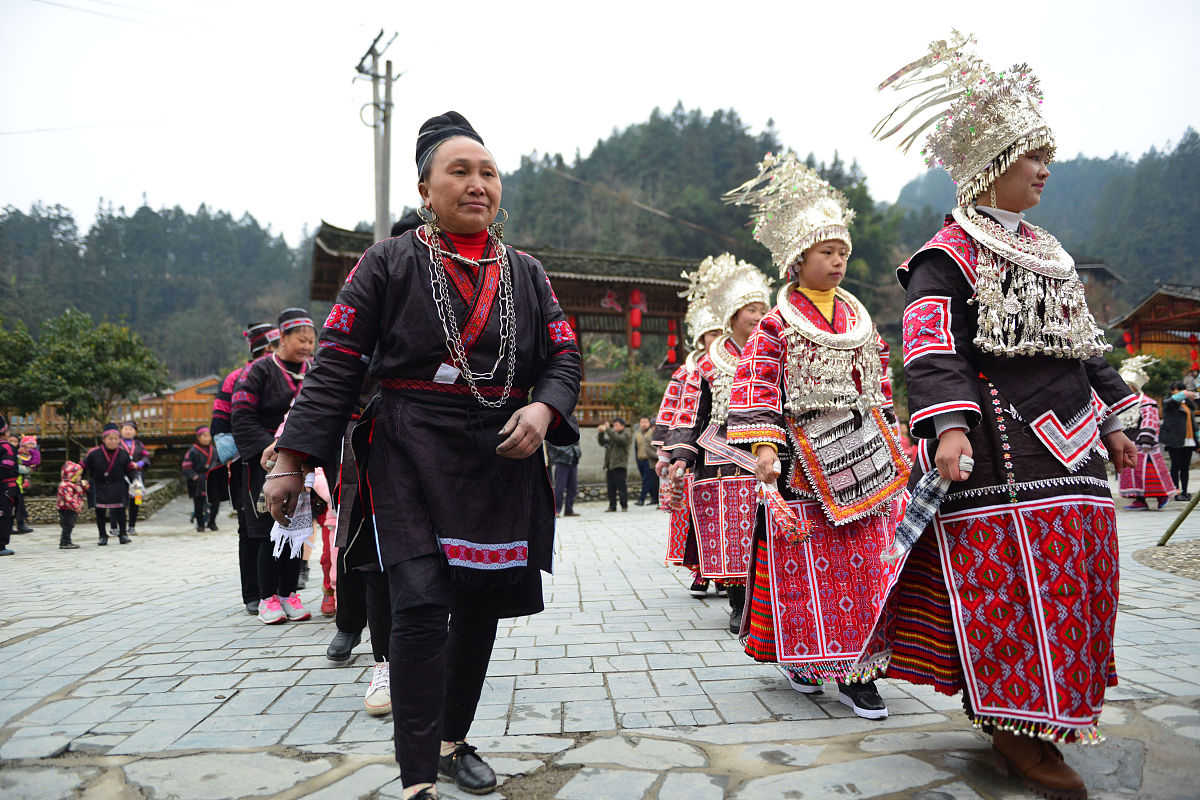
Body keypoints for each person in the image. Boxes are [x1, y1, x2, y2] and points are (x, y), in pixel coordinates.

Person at [264, 112, 581, 800]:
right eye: (459, 172)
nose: (477, 185)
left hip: (501, 447)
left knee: (479, 604)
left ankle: (450, 739)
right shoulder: (387, 261)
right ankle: (416, 780)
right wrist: (293, 458)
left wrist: (544, 406)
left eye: (488, 173)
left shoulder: (527, 274)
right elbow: (339, 361)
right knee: (418, 602)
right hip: (407, 443)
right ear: (425, 191)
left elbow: (563, 354)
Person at [871, 33, 1138, 798]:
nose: (1047, 169)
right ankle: (1018, 729)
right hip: (996, 461)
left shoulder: (1050, 252)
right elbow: (929, 349)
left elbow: (1083, 346)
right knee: (1017, 596)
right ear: (992, 167)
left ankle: (1053, 714)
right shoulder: (945, 255)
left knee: (1081, 586)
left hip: (1074, 454)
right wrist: (950, 427)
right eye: (1033, 156)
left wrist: (1116, 417)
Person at [723, 155, 905, 715]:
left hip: (868, 462)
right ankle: (809, 656)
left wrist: (894, 436)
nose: (838, 261)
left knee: (868, 568)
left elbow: (880, 381)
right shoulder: (776, 325)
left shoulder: (860, 318)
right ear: (799, 259)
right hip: (807, 468)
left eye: (844, 252)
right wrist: (764, 450)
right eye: (828, 252)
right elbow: (756, 385)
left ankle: (857, 667)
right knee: (811, 569)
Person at [667, 253, 772, 634]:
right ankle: (737, 602)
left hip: (763, 452)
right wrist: (682, 455)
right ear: (731, 316)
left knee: (766, 531)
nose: (758, 316)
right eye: (750, 309)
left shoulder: (774, 354)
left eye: (763, 308)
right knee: (729, 534)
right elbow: (694, 414)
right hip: (719, 460)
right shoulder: (709, 363)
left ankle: (765, 604)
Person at [232, 307, 315, 624]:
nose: (307, 346)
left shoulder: (313, 370)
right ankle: (267, 597)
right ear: (282, 338)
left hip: (302, 465)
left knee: (297, 530)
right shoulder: (259, 371)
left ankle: (288, 592)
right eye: (301, 339)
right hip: (265, 463)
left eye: (311, 340)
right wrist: (273, 449)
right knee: (270, 529)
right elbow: (241, 419)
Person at [659, 282, 724, 596]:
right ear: (700, 338)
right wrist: (668, 453)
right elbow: (674, 412)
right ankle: (701, 572)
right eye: (711, 334)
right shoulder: (687, 372)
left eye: (720, 333)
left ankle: (730, 575)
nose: (716, 340)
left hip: (730, 450)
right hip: (694, 452)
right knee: (697, 516)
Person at [213, 322, 277, 614]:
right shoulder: (235, 379)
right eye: (275, 346)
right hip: (248, 462)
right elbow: (221, 425)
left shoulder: (289, 374)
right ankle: (253, 592)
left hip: (282, 455)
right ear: (263, 350)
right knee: (250, 529)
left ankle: (280, 590)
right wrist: (249, 456)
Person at [1117, 357, 1175, 510]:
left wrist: (1146, 440)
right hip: (1129, 442)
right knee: (1132, 474)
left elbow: (1150, 421)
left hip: (1143, 445)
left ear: (1134, 387)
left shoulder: (1146, 402)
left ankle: (1162, 495)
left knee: (1149, 473)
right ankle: (1139, 500)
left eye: (1128, 386)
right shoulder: (1123, 402)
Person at [82, 423, 137, 545]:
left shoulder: (123, 453)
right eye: (110, 439)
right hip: (99, 485)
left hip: (118, 484)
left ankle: (123, 534)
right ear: (104, 439)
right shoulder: (94, 453)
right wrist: (82, 480)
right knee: (100, 512)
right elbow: (82, 466)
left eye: (116, 439)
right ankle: (102, 535)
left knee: (121, 511)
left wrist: (135, 480)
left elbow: (130, 469)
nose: (113, 441)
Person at [1161, 380, 1197, 501]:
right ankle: (1175, 491)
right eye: (1178, 390)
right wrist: (1186, 393)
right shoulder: (1169, 403)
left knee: (1185, 467)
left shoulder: (1187, 405)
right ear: (1172, 391)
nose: (1180, 393)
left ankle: (1185, 491)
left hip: (1188, 439)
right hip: (1175, 440)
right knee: (1175, 466)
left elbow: (1193, 424)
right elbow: (1171, 401)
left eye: (1182, 390)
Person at [183, 426, 221, 532]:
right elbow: (186, 465)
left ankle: (212, 522)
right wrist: (194, 476)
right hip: (199, 480)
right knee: (198, 504)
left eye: (208, 436)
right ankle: (200, 524)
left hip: (212, 480)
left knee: (215, 503)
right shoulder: (192, 451)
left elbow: (219, 464)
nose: (207, 438)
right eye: (204, 436)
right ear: (198, 437)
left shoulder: (214, 450)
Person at [116, 421, 150, 536]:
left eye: (131, 429)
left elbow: (146, 457)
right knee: (120, 501)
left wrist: (139, 464)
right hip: (121, 476)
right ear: (121, 431)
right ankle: (117, 527)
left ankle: (132, 526)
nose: (128, 431)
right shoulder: (117, 444)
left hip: (137, 478)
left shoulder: (139, 444)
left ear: (135, 432)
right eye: (126, 429)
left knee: (136, 501)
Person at [598, 419, 632, 512]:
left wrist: (608, 429)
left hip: (619, 465)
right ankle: (612, 506)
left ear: (622, 426)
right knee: (610, 488)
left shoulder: (626, 434)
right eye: (613, 425)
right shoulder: (612, 436)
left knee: (621, 487)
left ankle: (624, 505)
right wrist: (601, 433)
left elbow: (619, 439)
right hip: (610, 465)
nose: (614, 427)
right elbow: (602, 443)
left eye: (616, 425)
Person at [546, 439, 581, 517]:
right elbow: (550, 443)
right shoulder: (557, 428)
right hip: (561, 461)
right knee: (560, 488)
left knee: (573, 488)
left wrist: (577, 452)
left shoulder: (572, 428)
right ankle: (557, 510)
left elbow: (576, 442)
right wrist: (563, 451)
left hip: (573, 461)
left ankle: (569, 510)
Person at [56, 460, 86, 549]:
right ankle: (65, 542)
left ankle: (66, 541)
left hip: (71, 509)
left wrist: (84, 486)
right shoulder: (65, 486)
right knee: (67, 526)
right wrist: (76, 506)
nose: (80, 477)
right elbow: (68, 498)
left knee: (70, 525)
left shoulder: (74, 485)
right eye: (79, 475)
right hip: (66, 509)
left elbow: (79, 493)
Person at [0, 416, 18, 556]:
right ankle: (1, 545)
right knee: (5, 515)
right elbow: (7, 466)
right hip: (6, 486)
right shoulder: (6, 447)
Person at [14, 435, 39, 534]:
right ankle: (17, 525)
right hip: (12, 483)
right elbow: (15, 466)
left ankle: (20, 524)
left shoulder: (24, 453)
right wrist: (26, 469)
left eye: (15, 441)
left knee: (19, 505)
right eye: (12, 441)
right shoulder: (14, 454)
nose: (14, 443)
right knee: (15, 506)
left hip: (19, 484)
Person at [633, 417, 658, 506]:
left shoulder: (651, 433)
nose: (644, 424)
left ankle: (642, 499)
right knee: (649, 480)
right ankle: (654, 497)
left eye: (646, 422)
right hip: (640, 460)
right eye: (642, 422)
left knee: (646, 480)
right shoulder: (638, 434)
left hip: (649, 459)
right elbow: (636, 448)